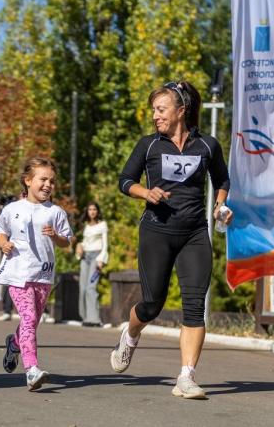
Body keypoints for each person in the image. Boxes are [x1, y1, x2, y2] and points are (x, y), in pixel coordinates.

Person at [112, 80, 232, 399]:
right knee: (152, 304)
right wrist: (145, 193)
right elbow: (125, 181)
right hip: (157, 231)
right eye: (154, 110)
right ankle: (131, 334)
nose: (155, 116)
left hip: (194, 233)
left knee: (194, 306)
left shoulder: (207, 146)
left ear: (181, 111)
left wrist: (220, 206)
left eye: (161, 109)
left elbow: (222, 179)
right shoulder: (149, 146)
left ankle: (186, 377)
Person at [0, 157, 74, 391]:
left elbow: (66, 242)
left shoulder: (56, 212)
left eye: (52, 181)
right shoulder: (12, 209)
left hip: (43, 275)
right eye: (43, 179)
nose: (48, 185)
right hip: (18, 274)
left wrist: (55, 236)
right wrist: (3, 244)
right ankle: (32, 370)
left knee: (32, 322)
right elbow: (0, 228)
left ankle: (14, 343)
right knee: (29, 319)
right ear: (28, 181)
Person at [75, 202, 109, 326]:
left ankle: (94, 319)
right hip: (85, 257)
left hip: (96, 257)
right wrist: (79, 247)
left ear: (97, 211)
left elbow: (105, 244)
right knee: (82, 288)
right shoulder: (86, 226)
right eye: (90, 209)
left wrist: (102, 259)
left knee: (91, 287)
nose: (92, 212)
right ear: (87, 212)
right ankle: (85, 318)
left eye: (94, 209)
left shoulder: (103, 224)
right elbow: (85, 242)